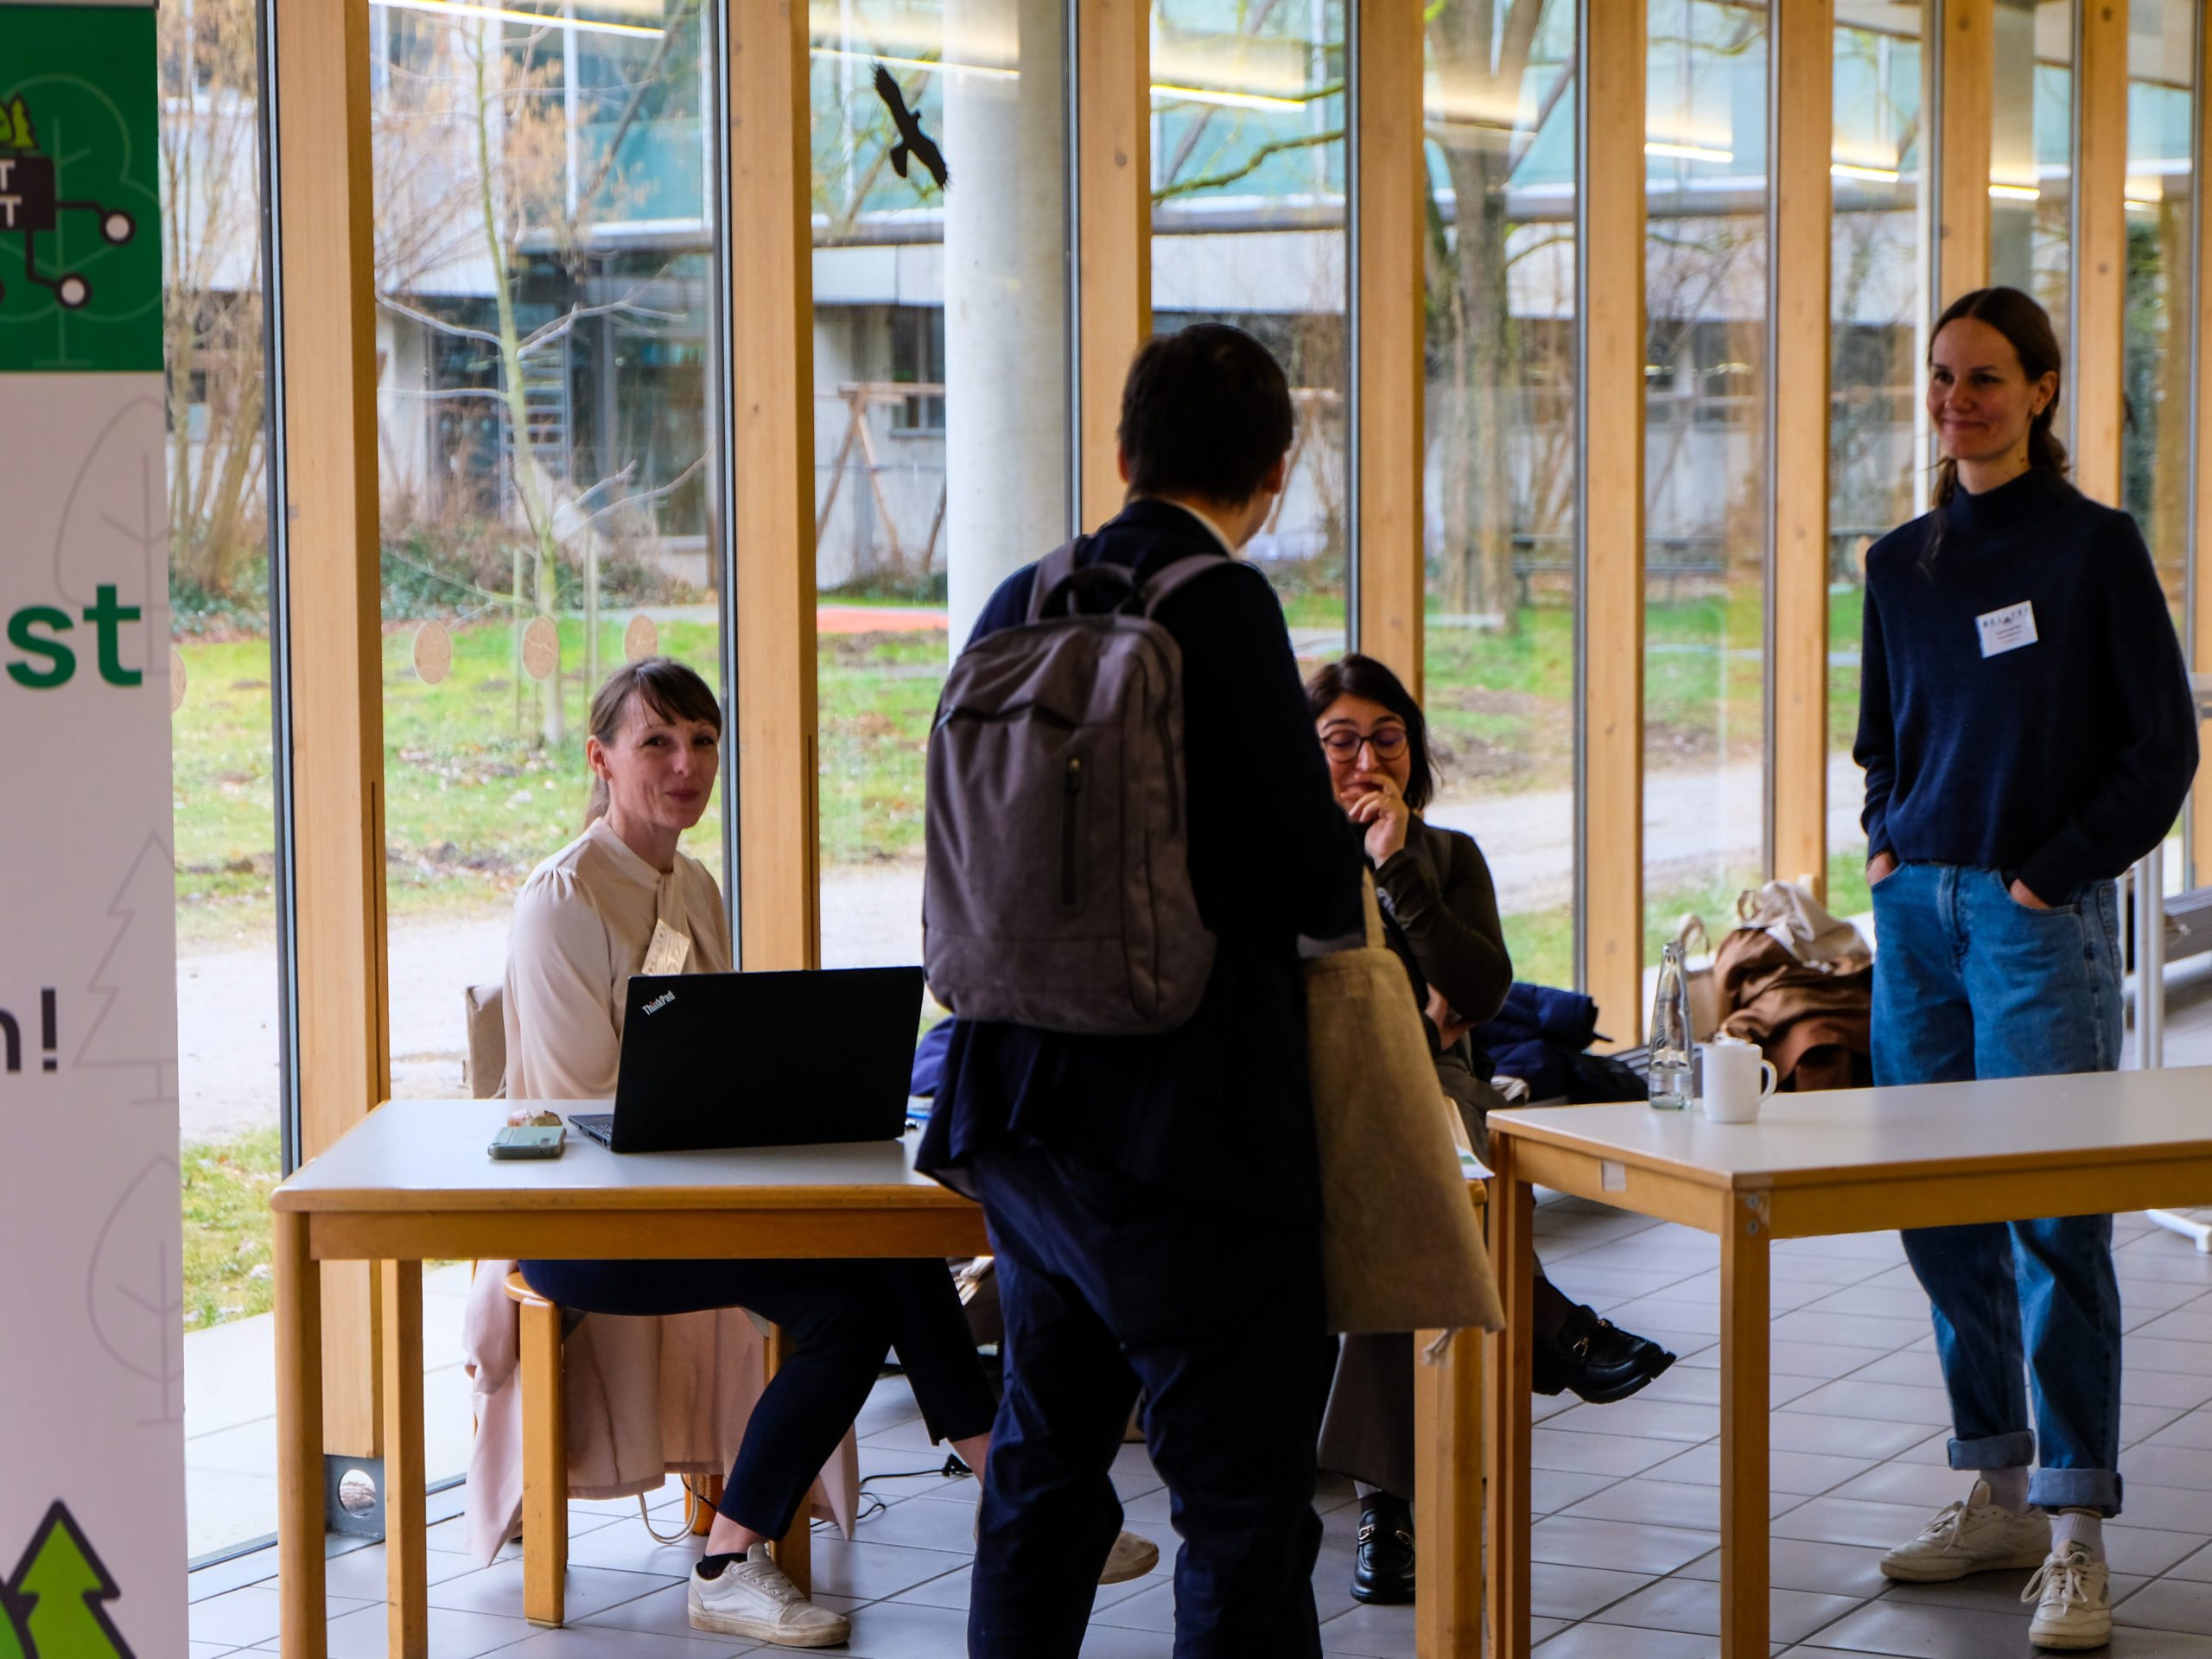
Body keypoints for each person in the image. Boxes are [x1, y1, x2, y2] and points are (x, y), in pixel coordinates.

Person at [504, 658, 1152, 1648]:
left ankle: (730, 1559)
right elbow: (583, 1108)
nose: (686, 764)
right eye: (658, 743)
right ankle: (1021, 1492)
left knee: (856, 1298)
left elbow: (712, 1064)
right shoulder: (561, 901)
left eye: (703, 743)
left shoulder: (697, 886)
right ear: (601, 759)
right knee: (879, 1259)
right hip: (595, 1222)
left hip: (699, 1203)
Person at [917, 323, 1366, 1657]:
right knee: (1239, 1505)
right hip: (1188, 1131)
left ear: (1123, 454)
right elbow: (1302, 876)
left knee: (1046, 1473)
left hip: (1018, 1114)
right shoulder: (1219, 606)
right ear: (1275, 474)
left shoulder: (1021, 598)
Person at [1857, 287, 2197, 1652]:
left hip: (2031, 918)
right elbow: (1882, 738)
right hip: (1916, 919)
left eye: (1986, 378)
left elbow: (2162, 750)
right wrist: (1888, 851)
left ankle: (2075, 1531)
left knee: (2056, 1218)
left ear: (2043, 391)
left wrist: (2047, 873)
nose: (1958, 399)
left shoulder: (2095, 550)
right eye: (1943, 378)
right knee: (1938, 1209)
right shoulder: (1899, 562)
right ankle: (1994, 1483)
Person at [1306, 652, 1675, 1606]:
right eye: (1339, 740)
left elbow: (1476, 990)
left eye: (1385, 738)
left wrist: (1396, 871)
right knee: (1411, 1173)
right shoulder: (1279, 856)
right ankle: (1552, 1326)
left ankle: (1388, 1509)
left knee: (1413, 1155)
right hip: (1309, 1093)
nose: (1364, 759)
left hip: (1431, 1094)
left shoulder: (1446, 855)